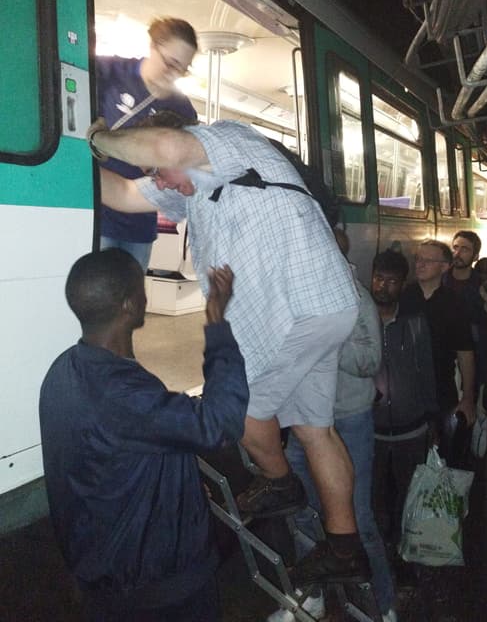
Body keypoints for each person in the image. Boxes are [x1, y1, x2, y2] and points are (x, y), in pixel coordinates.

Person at [86, 112, 367, 585]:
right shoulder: (188, 186)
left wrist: (99, 139)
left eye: (159, 170)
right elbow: (124, 193)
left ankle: (281, 485)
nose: (159, 181)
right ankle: (344, 547)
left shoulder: (226, 141)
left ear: (185, 139)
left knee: (239, 413)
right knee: (316, 432)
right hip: (318, 310)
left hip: (297, 310)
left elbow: (170, 151)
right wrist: (72, 147)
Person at [39, 249, 249, 622]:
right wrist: (216, 322)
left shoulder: (62, 371)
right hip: (158, 591)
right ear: (131, 305)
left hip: (100, 576)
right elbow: (220, 423)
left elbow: (100, 469)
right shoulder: (125, 395)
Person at [268, 230, 397, 622]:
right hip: (304, 419)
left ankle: (383, 604)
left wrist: (328, 338)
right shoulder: (293, 295)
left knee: (358, 517)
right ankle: (312, 597)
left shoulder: (356, 299)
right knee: (302, 511)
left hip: (348, 422)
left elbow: (370, 362)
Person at [98, 17, 198, 272]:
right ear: (153, 45)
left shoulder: (182, 109)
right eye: (170, 63)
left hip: (139, 222)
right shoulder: (107, 72)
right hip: (96, 213)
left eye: (182, 69)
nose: (174, 75)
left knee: (129, 302)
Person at [371, 248, 438, 565]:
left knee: (408, 496)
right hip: (369, 431)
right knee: (373, 497)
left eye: (391, 281)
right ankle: (376, 554)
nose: (383, 286)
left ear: (403, 284)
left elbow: (426, 371)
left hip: (412, 430)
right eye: (378, 279)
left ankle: (402, 556)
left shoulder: (415, 324)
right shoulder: (360, 323)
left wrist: (431, 421)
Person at [401, 240, 476, 462]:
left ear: (444, 267)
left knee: (441, 455)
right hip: (406, 390)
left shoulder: (454, 304)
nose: (420, 265)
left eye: (428, 261)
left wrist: (468, 398)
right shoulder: (404, 297)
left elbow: (465, 353)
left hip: (441, 389)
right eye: (418, 259)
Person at [443, 231, 487, 411]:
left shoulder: (482, 290)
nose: (458, 253)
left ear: (475, 256)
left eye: (465, 249)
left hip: (474, 360)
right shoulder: (440, 281)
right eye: (455, 247)